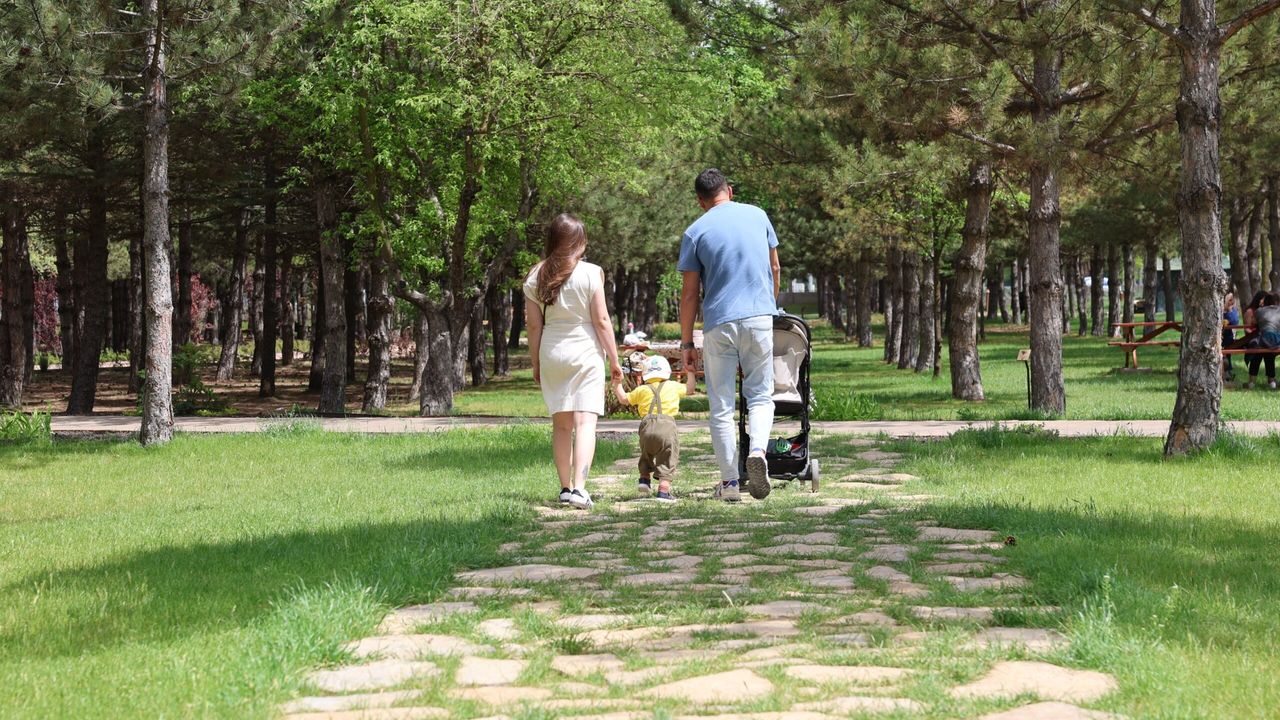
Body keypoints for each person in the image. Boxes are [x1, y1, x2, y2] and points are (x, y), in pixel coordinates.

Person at [678, 168, 781, 502]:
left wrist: (686, 342)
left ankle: (730, 484)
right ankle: (759, 452)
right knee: (761, 395)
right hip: (759, 317)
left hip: (719, 323)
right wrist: (769, 308)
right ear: (730, 191)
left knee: (721, 406)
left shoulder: (695, 232)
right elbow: (775, 268)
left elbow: (689, 295)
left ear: (700, 201)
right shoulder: (759, 216)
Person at [524, 214, 624, 509]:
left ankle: (565, 488)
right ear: (579, 242)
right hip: (585, 350)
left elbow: (533, 326)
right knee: (585, 422)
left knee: (561, 425)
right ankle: (580, 488)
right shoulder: (591, 273)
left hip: (552, 350)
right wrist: (614, 360)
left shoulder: (535, 275)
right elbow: (602, 320)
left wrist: (536, 362)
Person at [612, 355, 698, 503]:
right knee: (668, 457)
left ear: (645, 374)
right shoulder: (673, 386)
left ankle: (644, 479)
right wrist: (690, 372)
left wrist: (617, 384)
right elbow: (690, 389)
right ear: (667, 372)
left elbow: (624, 399)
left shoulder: (642, 389)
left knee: (646, 453)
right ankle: (663, 491)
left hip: (646, 428)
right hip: (667, 428)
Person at [1243, 291, 1280, 390]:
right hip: (1277, 341)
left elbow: (1254, 322)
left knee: (1257, 353)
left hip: (1264, 339)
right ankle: (1272, 382)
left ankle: (1251, 382)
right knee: (1269, 354)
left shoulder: (1259, 311)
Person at [1222, 292, 1240, 382]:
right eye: (1229, 300)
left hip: (1228, 338)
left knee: (1227, 353)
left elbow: (1234, 322)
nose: (1232, 302)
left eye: (1233, 300)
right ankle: (1226, 372)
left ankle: (1227, 372)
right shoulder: (1218, 311)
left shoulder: (1234, 311)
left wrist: (1229, 310)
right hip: (1220, 337)